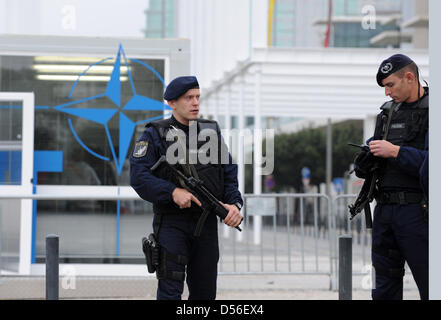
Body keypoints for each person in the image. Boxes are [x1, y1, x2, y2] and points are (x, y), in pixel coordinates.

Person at [130, 76, 243, 300]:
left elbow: (228, 173)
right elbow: (139, 176)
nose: (195, 103)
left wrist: (234, 204)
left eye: (198, 97)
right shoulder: (154, 134)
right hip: (172, 224)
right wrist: (172, 192)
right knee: (170, 292)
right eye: (188, 98)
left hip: (207, 224)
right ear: (172, 103)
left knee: (205, 293)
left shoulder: (210, 133)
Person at [366, 54, 428, 300]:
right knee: (384, 286)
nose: (386, 93)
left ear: (410, 77)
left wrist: (396, 152)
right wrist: (367, 155)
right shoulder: (387, 114)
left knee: (430, 280)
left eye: (390, 85)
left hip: (418, 212)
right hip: (385, 211)